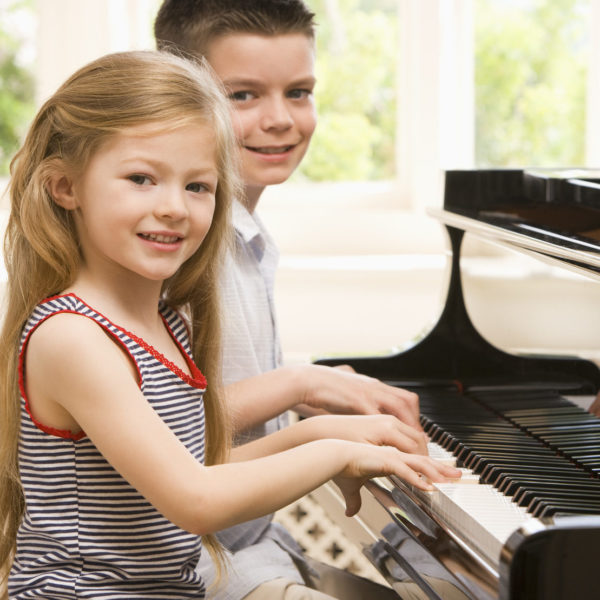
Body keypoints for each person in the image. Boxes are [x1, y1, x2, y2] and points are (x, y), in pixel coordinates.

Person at [0, 50, 460, 599]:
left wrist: (319, 431)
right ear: (65, 187)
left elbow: (197, 464)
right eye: (142, 178)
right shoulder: (72, 336)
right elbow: (196, 499)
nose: (175, 207)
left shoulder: (162, 321)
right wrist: (334, 453)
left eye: (198, 186)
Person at [154, 1, 436, 598]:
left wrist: (323, 400)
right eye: (243, 95)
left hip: (248, 546)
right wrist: (300, 387)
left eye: (299, 91)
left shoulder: (246, 235)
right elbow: (163, 429)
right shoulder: (168, 245)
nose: (281, 118)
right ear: (176, 93)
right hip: (186, 562)